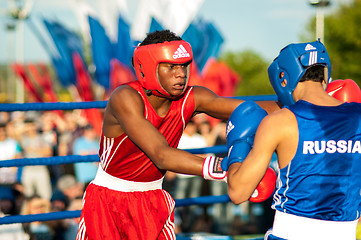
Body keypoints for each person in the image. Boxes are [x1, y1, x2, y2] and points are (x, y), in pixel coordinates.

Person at [75, 30, 280, 240]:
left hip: (153, 199)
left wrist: (303, 104)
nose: (181, 73)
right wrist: (226, 168)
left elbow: (249, 109)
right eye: (171, 66)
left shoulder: (192, 97)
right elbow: (161, 154)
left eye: (183, 65)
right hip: (108, 201)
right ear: (147, 67)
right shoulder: (125, 97)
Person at [225, 40, 361, 239]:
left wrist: (238, 146)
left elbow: (238, 192)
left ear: (283, 77)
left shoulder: (280, 121)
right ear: (325, 75)